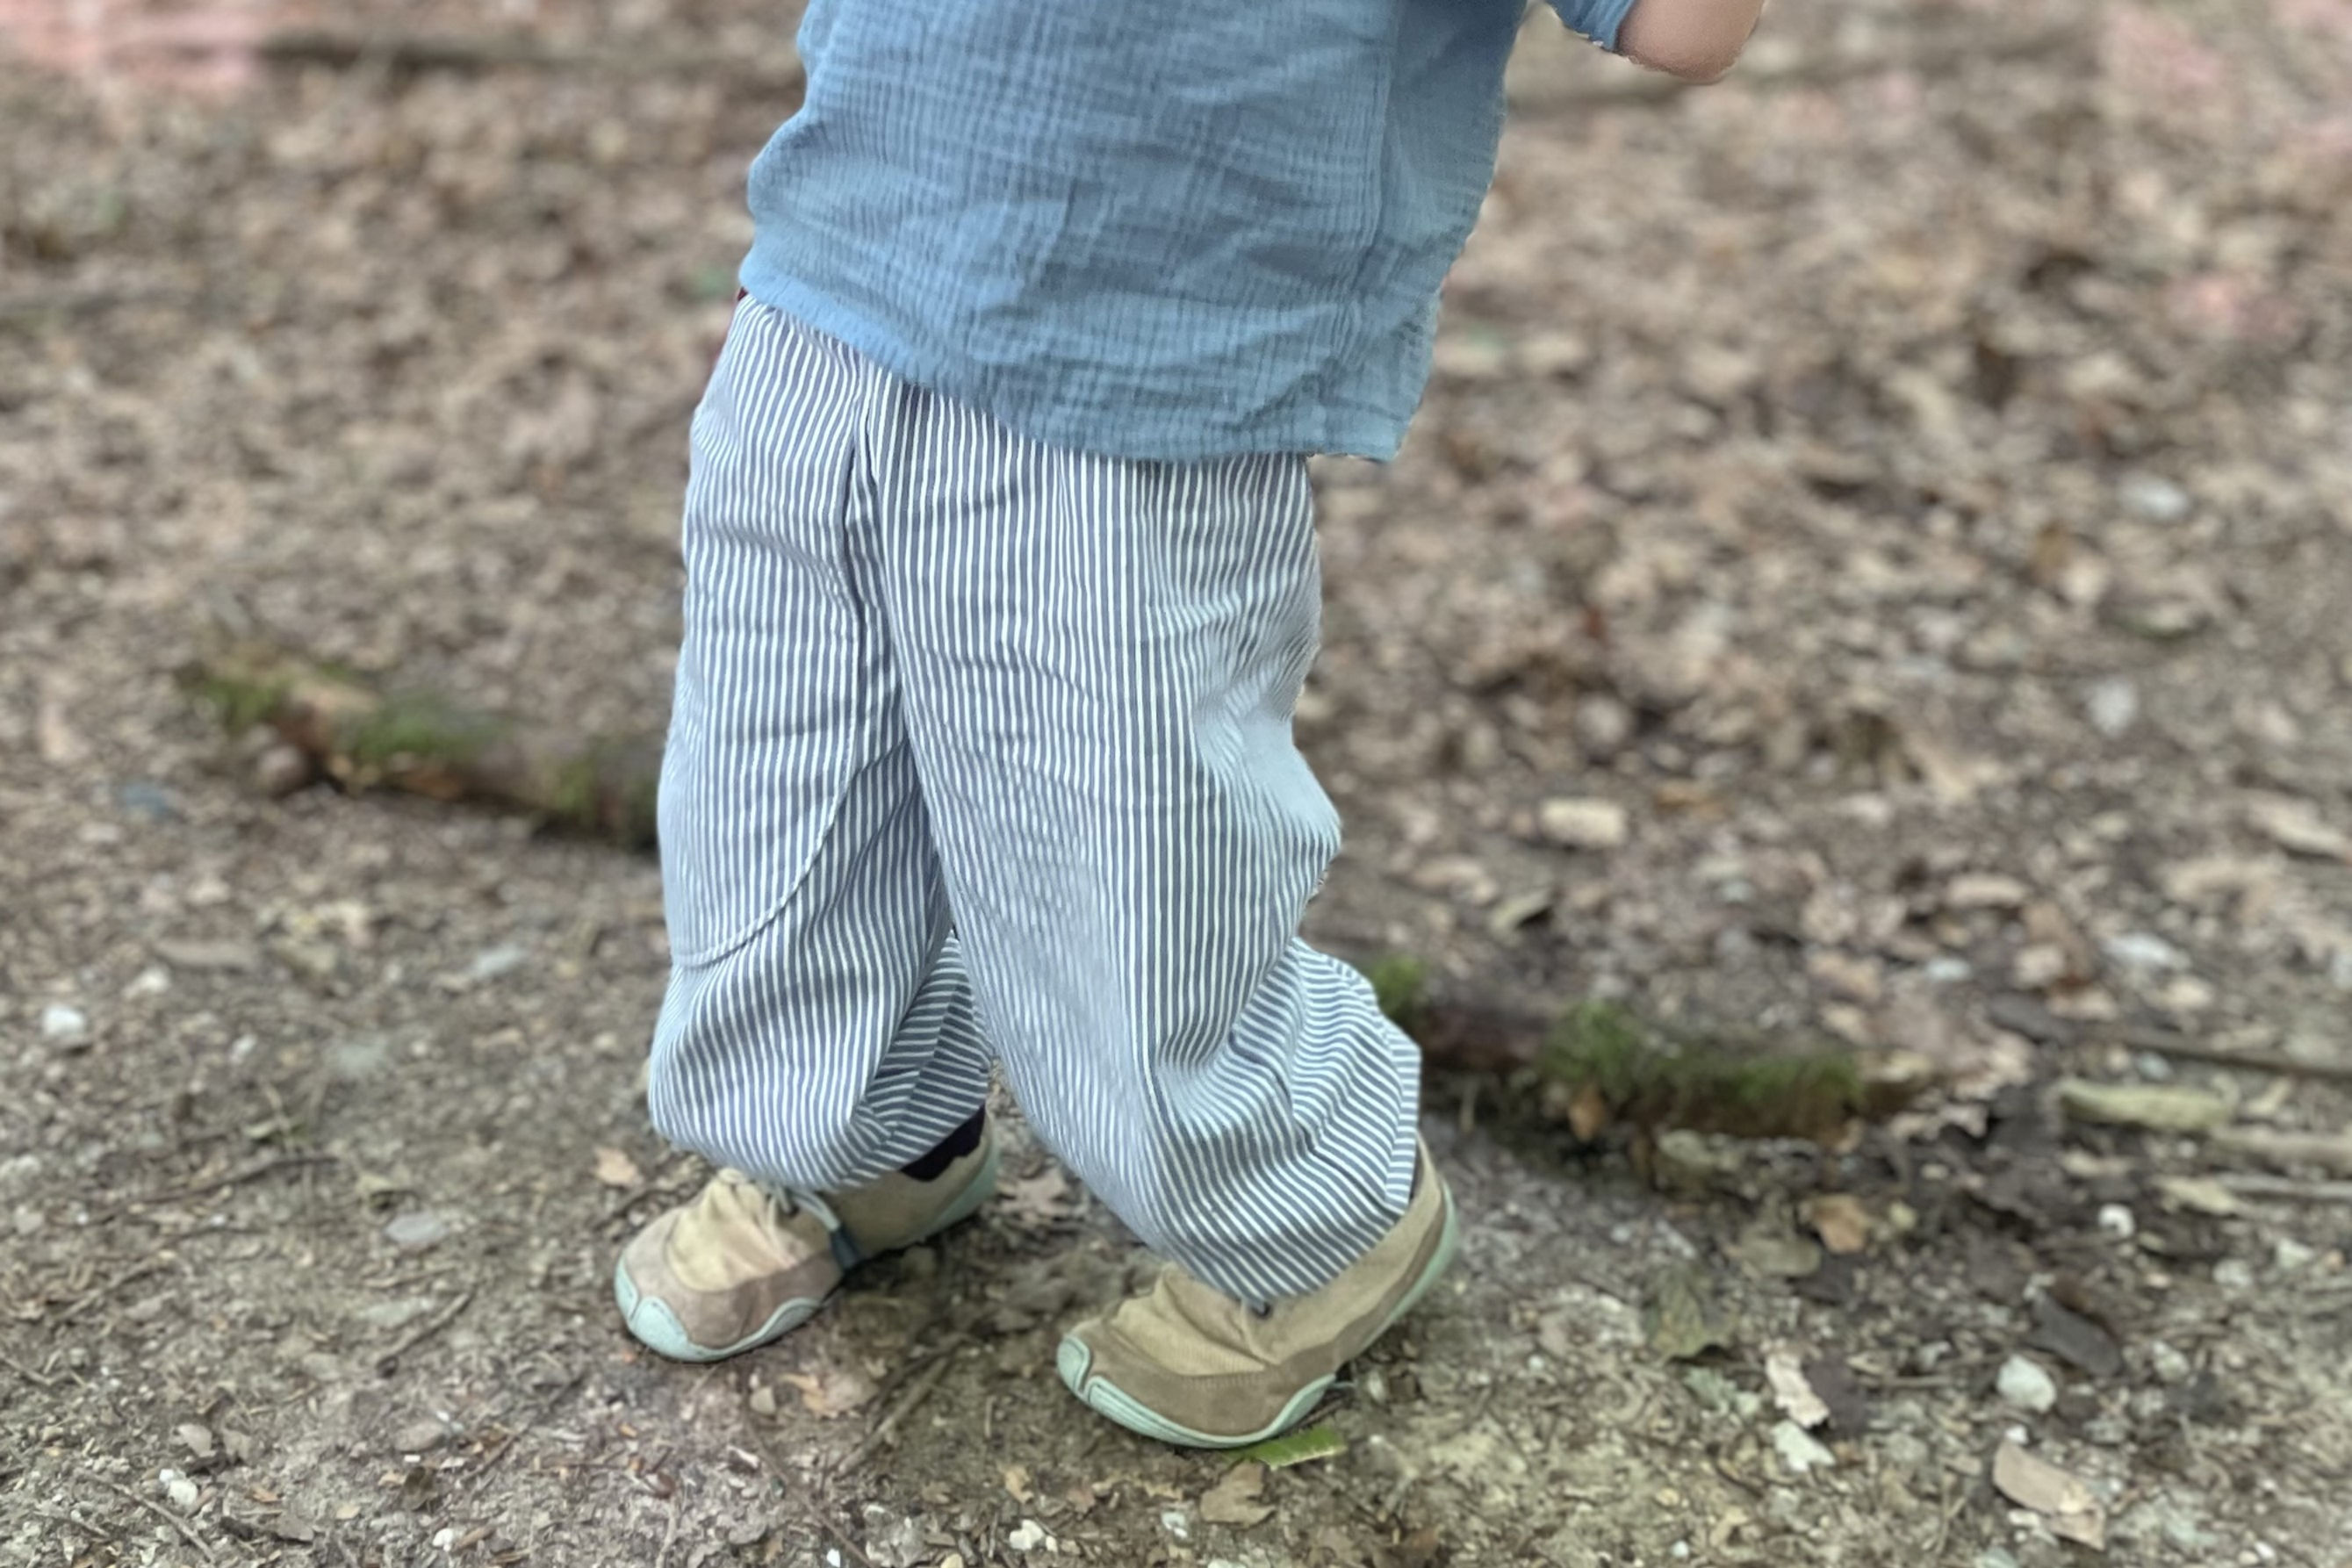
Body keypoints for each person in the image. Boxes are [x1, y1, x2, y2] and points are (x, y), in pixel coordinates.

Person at [614, 0, 1765, 1449]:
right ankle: (856, 1128)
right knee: (780, 771)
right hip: (842, 252)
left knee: (1126, 849)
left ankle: (1314, 1207)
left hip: (1157, 355)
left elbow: (1689, 28)